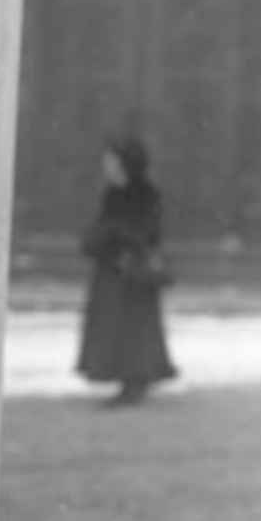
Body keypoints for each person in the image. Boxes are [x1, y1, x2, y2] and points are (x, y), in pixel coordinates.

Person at [76, 136, 177, 406]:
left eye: (111, 160)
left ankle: (136, 378)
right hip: (113, 271)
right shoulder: (112, 194)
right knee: (114, 328)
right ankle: (125, 376)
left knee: (133, 328)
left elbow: (147, 233)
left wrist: (116, 235)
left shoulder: (144, 193)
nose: (106, 165)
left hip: (132, 272)